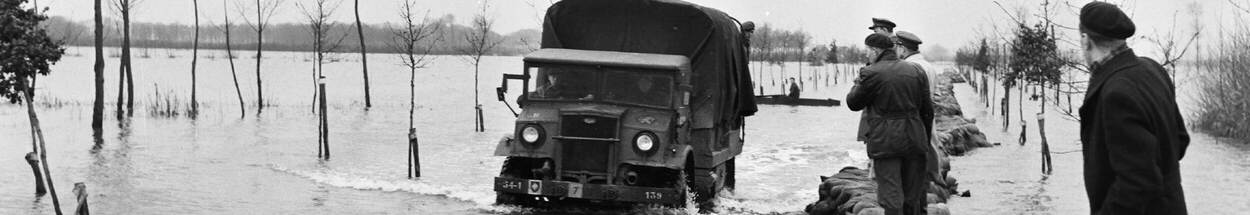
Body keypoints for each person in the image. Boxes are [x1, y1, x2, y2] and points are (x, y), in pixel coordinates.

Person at [1076, 2, 1190, 214]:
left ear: (1085, 40)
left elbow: (1137, 184)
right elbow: (1180, 140)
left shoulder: (1115, 93)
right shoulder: (1153, 69)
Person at [847, 33, 934, 215]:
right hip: (915, 139)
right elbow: (927, 111)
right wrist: (924, 139)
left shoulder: (871, 72)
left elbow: (853, 103)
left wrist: (859, 80)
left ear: (875, 50)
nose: (866, 56)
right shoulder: (916, 70)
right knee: (912, 197)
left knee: (891, 197)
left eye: (867, 51)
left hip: (886, 143)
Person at [894, 31, 948, 188]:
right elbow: (935, 94)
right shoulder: (928, 66)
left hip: (914, 115)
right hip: (927, 112)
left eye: (897, 48)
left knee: (915, 156)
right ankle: (933, 175)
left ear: (903, 49)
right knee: (930, 145)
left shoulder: (909, 67)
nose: (896, 52)